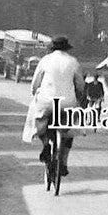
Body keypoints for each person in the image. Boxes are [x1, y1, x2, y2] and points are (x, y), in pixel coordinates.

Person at [24, 36, 84, 177]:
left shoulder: (45, 60)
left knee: (39, 120)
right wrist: (79, 98)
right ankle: (63, 162)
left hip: (46, 101)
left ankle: (46, 144)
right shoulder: (73, 62)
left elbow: (35, 83)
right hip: (66, 103)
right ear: (66, 48)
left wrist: (34, 94)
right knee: (69, 131)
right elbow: (80, 85)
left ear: (52, 48)